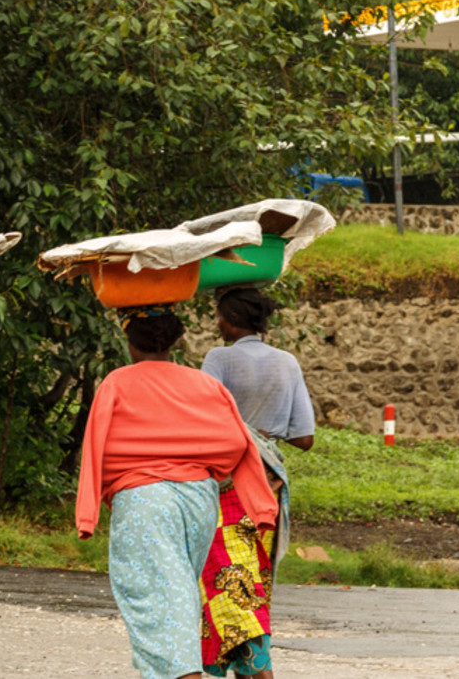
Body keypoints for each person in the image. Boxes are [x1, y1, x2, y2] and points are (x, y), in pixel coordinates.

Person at [76, 305, 277, 679]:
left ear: (129, 340)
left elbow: (94, 446)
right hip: (200, 501)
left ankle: (185, 675)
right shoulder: (204, 384)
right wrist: (261, 506)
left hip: (145, 503)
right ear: (174, 340)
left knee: (162, 604)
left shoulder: (116, 383)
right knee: (181, 593)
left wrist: (87, 516)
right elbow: (238, 443)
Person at [197, 288, 316, 678]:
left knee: (229, 588)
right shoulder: (287, 362)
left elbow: (203, 417)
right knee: (251, 587)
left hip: (229, 485)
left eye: (219, 316)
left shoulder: (219, 358)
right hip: (269, 486)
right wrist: (264, 432)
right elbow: (304, 438)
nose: (217, 324)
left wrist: (242, 431)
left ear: (231, 320)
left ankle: (260, 672)